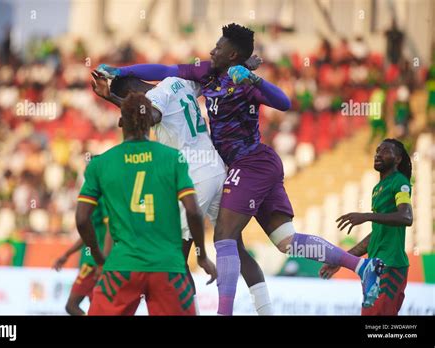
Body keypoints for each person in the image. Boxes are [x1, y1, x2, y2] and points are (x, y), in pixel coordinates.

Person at [97, 23, 384, 315]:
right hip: (240, 165)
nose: (211, 51)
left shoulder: (239, 83)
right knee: (283, 241)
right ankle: (360, 266)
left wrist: (253, 78)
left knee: (213, 242)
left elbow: (283, 102)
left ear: (231, 53)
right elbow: (162, 70)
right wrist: (122, 71)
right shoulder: (202, 77)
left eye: (218, 48)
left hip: (240, 166)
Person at [90, 63, 273, 314]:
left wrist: (111, 96)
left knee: (176, 257)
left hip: (195, 179)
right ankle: (266, 310)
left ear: (133, 94)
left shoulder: (154, 98)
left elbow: (150, 116)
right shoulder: (180, 82)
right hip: (218, 171)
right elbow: (212, 75)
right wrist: (240, 64)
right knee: (235, 247)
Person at [76, 92, 216, 315]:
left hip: (122, 265)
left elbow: (82, 218)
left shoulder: (100, 164)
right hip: (168, 267)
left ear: (121, 122)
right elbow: (193, 211)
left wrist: (98, 255)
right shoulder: (173, 158)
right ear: (150, 121)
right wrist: (201, 255)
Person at [320, 139, 413, 315]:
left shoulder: (400, 182)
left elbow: (406, 217)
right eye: (377, 150)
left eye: (386, 151)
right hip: (373, 267)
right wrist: (341, 260)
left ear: (398, 158)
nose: (378, 153)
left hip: (391, 264)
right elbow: (376, 234)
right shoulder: (378, 188)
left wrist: (366, 216)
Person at [53, 197, 110, 315]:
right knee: (92, 307)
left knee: (72, 305)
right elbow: (87, 233)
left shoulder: (103, 197)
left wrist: (102, 262)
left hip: (95, 263)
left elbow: (109, 229)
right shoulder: (95, 196)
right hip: (92, 261)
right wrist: (67, 254)